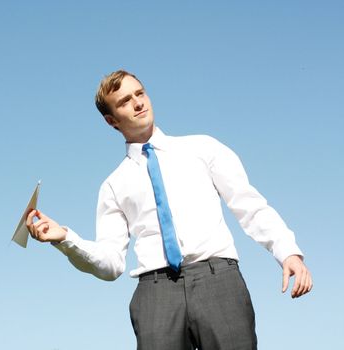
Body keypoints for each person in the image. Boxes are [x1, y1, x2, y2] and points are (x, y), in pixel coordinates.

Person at [26, 70, 313, 350]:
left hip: (218, 281)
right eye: (125, 101)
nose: (138, 103)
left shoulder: (202, 148)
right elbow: (111, 263)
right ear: (111, 120)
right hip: (155, 293)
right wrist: (65, 239)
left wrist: (287, 251)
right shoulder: (113, 186)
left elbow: (249, 205)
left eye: (140, 93)